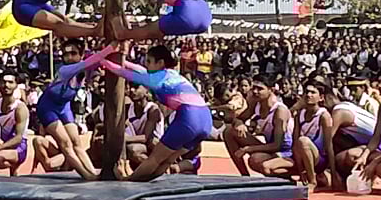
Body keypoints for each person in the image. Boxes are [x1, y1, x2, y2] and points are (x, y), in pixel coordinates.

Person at [101, 44, 213, 181]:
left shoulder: (155, 79)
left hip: (189, 117)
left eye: (149, 61)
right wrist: (124, 61)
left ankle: (127, 181)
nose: (146, 65)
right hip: (206, 119)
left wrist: (101, 61)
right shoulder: (171, 74)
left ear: (160, 63)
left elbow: (123, 73)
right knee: (167, 160)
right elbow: (141, 70)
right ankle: (144, 181)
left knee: (154, 158)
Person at [32, 41, 115, 180]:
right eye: (65, 54)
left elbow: (97, 60)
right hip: (48, 107)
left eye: (73, 53)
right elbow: (93, 59)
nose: (69, 57)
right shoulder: (66, 70)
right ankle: (86, 175)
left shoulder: (84, 72)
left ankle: (92, 172)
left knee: (77, 142)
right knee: (66, 143)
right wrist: (111, 47)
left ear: (81, 54)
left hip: (64, 106)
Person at [224, 74, 295, 178]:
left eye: (260, 89)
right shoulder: (256, 104)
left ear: (271, 90)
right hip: (271, 147)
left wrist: (249, 149)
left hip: (286, 152)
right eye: (254, 88)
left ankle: (286, 172)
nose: (255, 92)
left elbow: (277, 145)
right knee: (229, 132)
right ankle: (245, 176)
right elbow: (238, 118)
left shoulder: (280, 110)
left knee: (255, 160)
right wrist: (239, 123)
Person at [292, 80, 333, 191]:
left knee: (303, 141)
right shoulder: (299, 115)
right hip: (302, 157)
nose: (308, 95)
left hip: (319, 159)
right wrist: (300, 171)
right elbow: (295, 144)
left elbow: (329, 146)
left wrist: (334, 174)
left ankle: (312, 180)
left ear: (321, 98)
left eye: (313, 92)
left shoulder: (324, 116)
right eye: (306, 92)